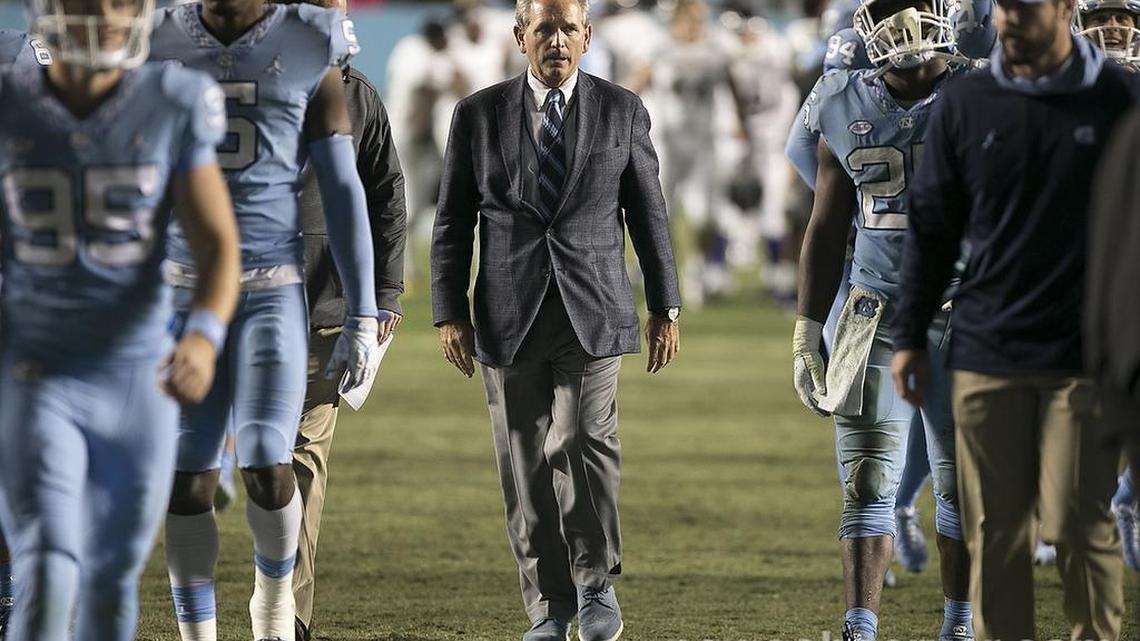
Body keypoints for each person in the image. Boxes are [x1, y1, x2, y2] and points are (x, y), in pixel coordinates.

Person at [430, 0, 682, 638]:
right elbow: (453, 221)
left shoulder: (623, 110)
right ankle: (549, 606)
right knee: (525, 463)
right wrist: (447, 312)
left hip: (594, 311)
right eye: (543, 27)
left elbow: (649, 214)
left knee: (581, 440)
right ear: (520, 36)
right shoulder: (478, 114)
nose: (557, 40)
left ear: (588, 36)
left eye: (569, 27)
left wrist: (665, 304)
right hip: (508, 314)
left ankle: (595, 587)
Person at [890, 0, 1137, 635]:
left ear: (1062, 9)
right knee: (995, 531)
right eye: (1002, 7)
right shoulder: (967, 101)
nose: (1007, 20)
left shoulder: (1119, 98)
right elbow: (933, 226)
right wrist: (910, 336)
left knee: (1081, 523)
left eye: (1024, 7)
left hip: (1086, 358)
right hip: (985, 350)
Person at [0, 0, 242, 638]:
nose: (108, 15)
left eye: (122, 2)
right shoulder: (10, 100)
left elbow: (218, 244)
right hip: (35, 370)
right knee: (48, 564)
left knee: (110, 578)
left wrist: (204, 335)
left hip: (138, 375)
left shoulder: (171, 97)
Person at [149, 1, 380, 639]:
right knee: (187, 478)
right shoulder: (157, 33)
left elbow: (342, 186)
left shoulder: (309, 38)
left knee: (263, 458)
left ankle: (275, 609)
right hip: (178, 291)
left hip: (271, 288)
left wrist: (364, 312)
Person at [787, 0, 973, 637]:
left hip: (965, 310)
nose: (909, 19)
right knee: (867, 481)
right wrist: (808, 327)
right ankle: (859, 627)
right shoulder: (840, 96)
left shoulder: (986, 92)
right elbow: (826, 221)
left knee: (964, 486)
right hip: (876, 312)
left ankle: (960, 623)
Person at [290, 0, 408, 638]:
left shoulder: (358, 97)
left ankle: (286, 615)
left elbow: (388, 196)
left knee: (302, 458)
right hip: (232, 307)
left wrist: (384, 294)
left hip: (322, 309)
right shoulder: (222, 87)